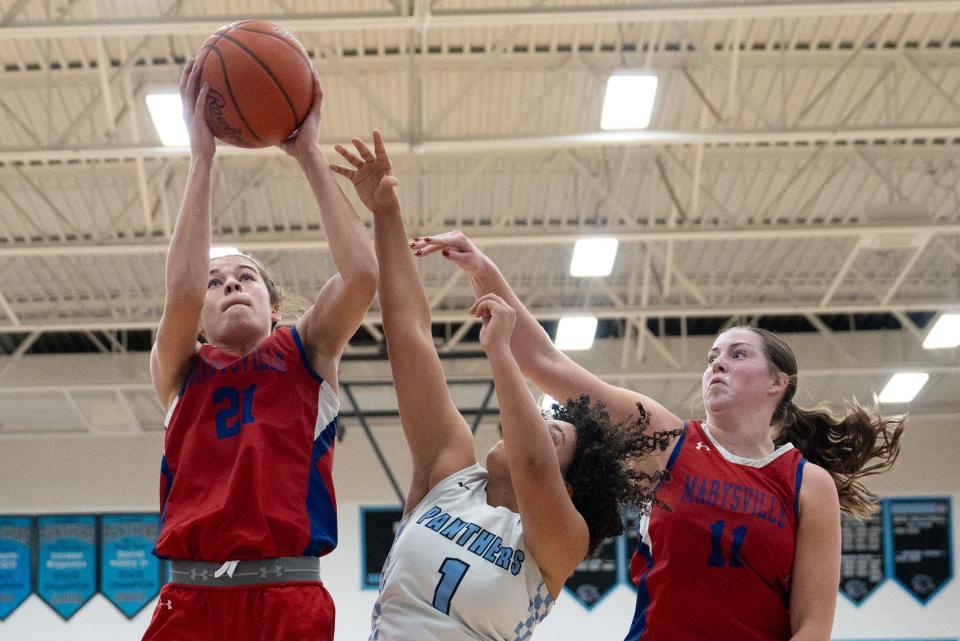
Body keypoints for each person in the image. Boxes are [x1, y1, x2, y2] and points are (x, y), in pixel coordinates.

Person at [410, 231, 905, 641]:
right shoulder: (669, 439)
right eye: (712, 356)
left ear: (779, 383)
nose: (717, 364)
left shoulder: (805, 483)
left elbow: (813, 627)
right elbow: (545, 361)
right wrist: (482, 269)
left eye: (736, 355)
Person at [329, 135, 672, 641]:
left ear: (569, 487)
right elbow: (410, 340)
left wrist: (502, 352)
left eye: (549, 433)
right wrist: (385, 211)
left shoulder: (560, 542)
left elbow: (534, 466)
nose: (526, 429)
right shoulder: (449, 476)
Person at [140, 59, 378, 641]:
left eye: (245, 277)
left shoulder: (307, 353)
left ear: (274, 308)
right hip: (191, 599)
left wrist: (308, 155)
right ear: (197, 320)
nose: (228, 285)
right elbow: (184, 286)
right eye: (217, 282)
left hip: (286, 596)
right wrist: (202, 158)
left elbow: (362, 275)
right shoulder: (180, 370)